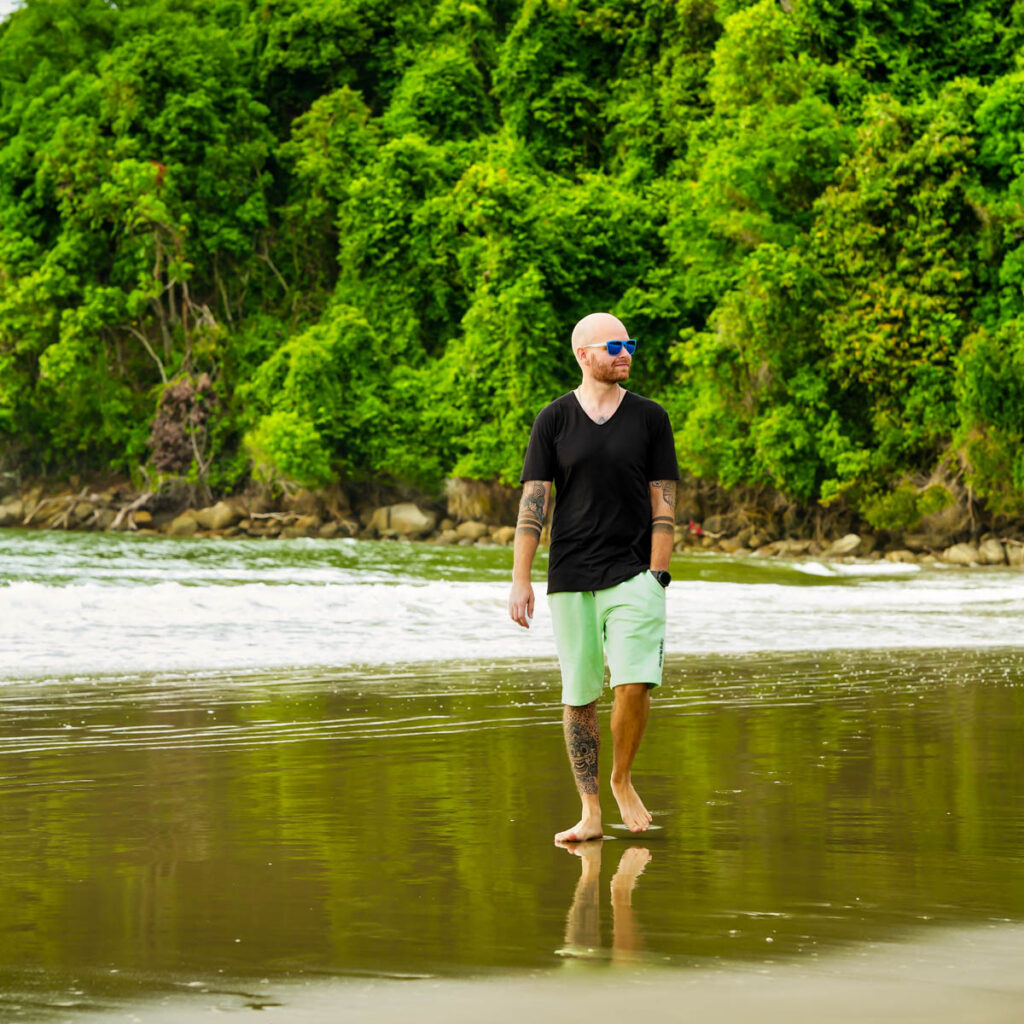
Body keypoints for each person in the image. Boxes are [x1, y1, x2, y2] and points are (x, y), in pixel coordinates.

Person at [508, 311, 678, 842]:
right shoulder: (552, 420)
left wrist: (658, 573)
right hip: (571, 574)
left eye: (630, 343)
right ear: (584, 355)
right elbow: (533, 505)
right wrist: (521, 579)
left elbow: (664, 503)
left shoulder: (651, 418)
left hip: (634, 574)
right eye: (614, 345)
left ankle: (622, 780)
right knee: (579, 693)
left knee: (634, 682)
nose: (626, 352)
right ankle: (590, 811)